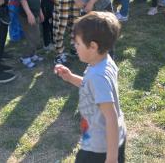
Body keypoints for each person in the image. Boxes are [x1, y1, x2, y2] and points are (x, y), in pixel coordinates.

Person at [54, 12, 126, 163]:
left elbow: (111, 118)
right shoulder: (103, 61)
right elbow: (92, 88)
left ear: (93, 46)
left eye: (78, 43)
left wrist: (111, 159)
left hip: (100, 147)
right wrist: (71, 77)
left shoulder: (98, 76)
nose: (75, 46)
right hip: (108, 139)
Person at [18, 0, 45, 69]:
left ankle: (32, 54)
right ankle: (25, 57)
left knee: (36, 36)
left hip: (35, 14)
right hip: (27, 16)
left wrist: (40, 12)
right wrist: (29, 14)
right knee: (31, 37)